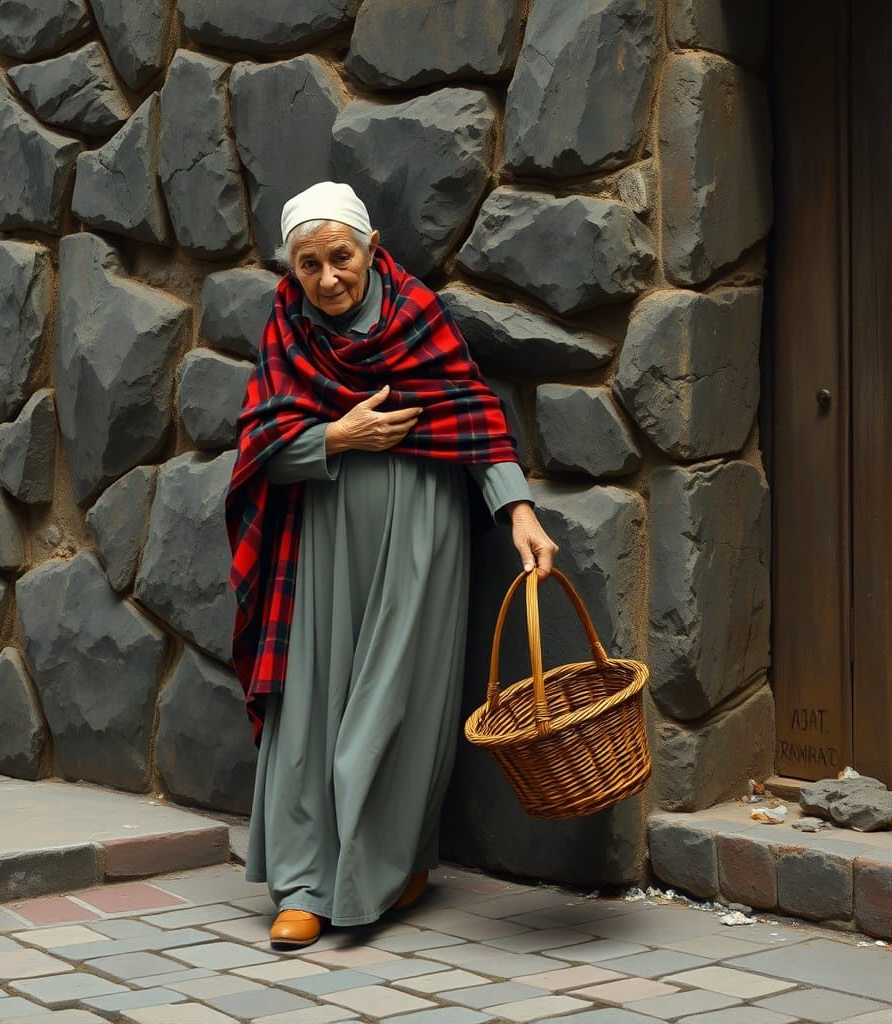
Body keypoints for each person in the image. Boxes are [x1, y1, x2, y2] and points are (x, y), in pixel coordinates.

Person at [225, 181, 558, 948]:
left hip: (421, 533)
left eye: (341, 257)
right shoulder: (286, 332)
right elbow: (258, 454)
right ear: (292, 271)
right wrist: (336, 438)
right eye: (309, 265)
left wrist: (520, 513)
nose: (329, 277)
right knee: (308, 705)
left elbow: (475, 417)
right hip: (320, 537)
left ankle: (393, 866)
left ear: (372, 248)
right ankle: (307, 882)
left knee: (398, 703)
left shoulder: (420, 318)